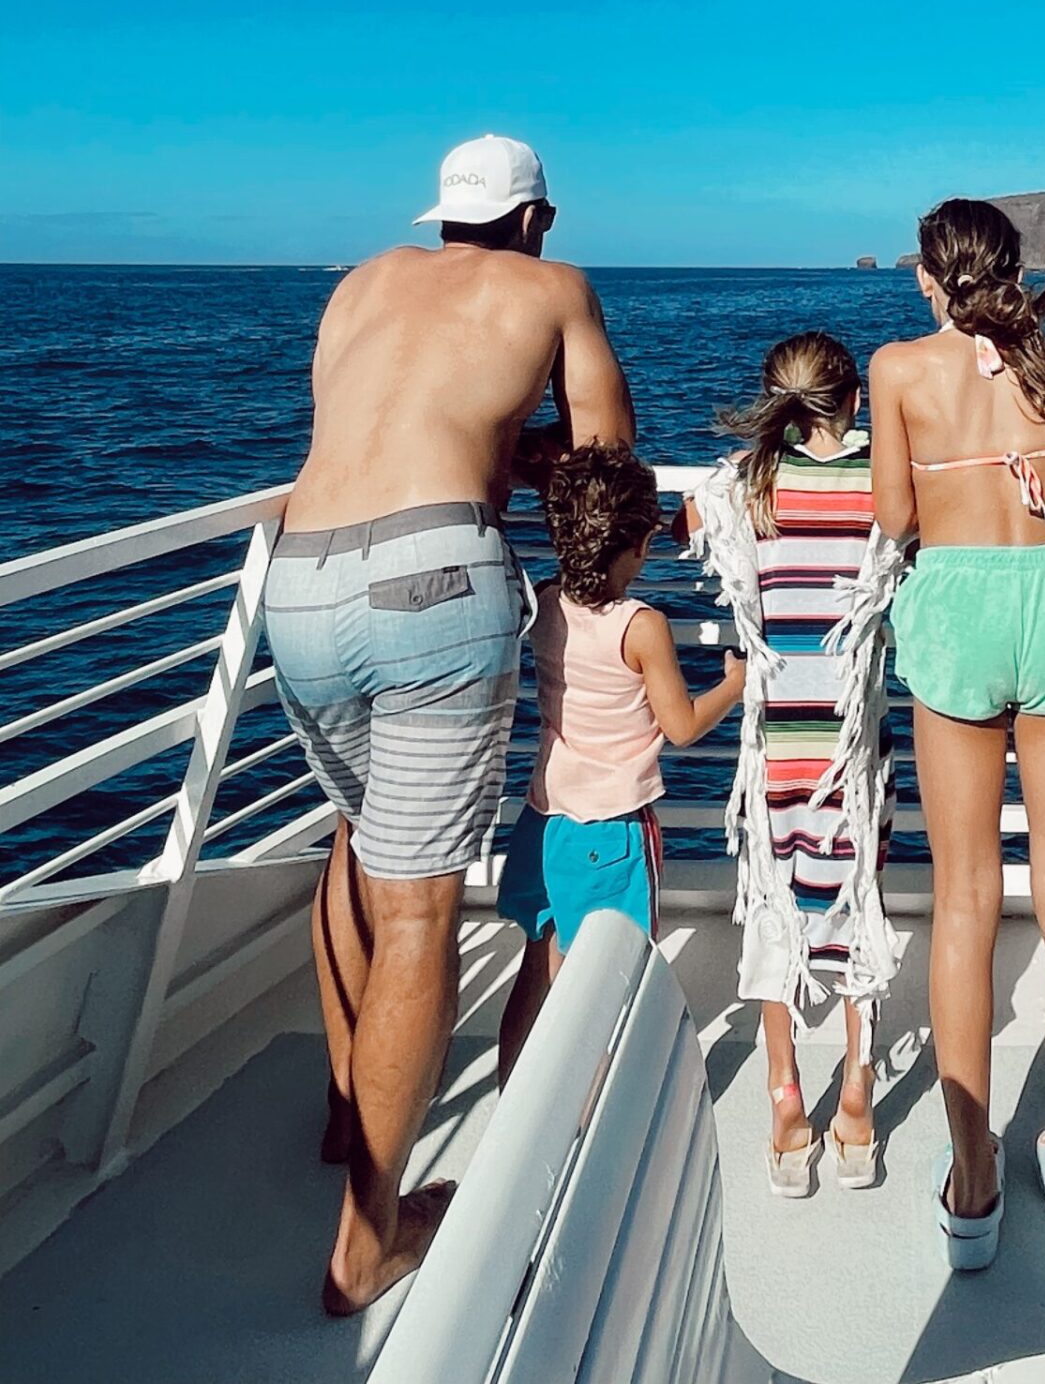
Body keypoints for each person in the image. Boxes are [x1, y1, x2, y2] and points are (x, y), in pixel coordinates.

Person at [264, 134, 634, 1314]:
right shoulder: (554, 286)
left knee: (356, 835)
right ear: (539, 219)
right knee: (421, 896)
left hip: (300, 576)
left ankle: (346, 1110)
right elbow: (608, 460)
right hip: (433, 582)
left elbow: (373, 421)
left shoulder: (361, 282)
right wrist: (530, 459)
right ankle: (368, 1240)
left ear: (440, 218)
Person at [870, 199, 1045, 1274]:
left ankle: (974, 1177)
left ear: (933, 277)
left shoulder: (896, 369)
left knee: (966, 895)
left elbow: (894, 517)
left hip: (961, 606)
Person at [682, 333, 901, 1197]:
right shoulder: (884, 482)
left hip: (776, 735)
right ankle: (856, 1093)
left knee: (774, 898)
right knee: (856, 894)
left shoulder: (748, 483)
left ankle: (783, 1098)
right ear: (853, 401)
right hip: (850, 738)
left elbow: (684, 523)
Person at [497, 441, 744, 1082]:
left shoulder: (547, 601)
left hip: (543, 818)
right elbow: (683, 725)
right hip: (612, 830)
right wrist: (736, 685)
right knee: (607, 984)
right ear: (634, 546)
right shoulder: (642, 625)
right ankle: (589, 1114)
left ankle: (515, 1096)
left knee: (538, 966)